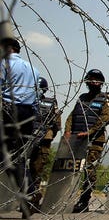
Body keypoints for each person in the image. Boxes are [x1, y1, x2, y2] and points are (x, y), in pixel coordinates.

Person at [63, 69, 109, 213]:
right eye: (91, 79)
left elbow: (104, 118)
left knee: (89, 169)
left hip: (95, 140)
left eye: (97, 79)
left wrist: (89, 133)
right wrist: (67, 131)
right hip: (76, 139)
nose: (94, 81)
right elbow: (72, 115)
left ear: (101, 82)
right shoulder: (82, 98)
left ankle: (84, 199)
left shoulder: (105, 98)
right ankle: (64, 197)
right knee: (70, 168)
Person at [0, 36, 39, 217]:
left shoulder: (4, 64)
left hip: (9, 110)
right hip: (28, 113)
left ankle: (29, 194)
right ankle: (30, 195)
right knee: (19, 157)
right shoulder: (33, 69)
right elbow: (37, 95)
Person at [28, 77, 62, 212]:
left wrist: (48, 136)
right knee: (24, 170)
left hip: (43, 140)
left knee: (37, 170)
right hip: (27, 139)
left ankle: (33, 199)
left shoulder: (51, 103)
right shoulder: (26, 101)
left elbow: (57, 124)